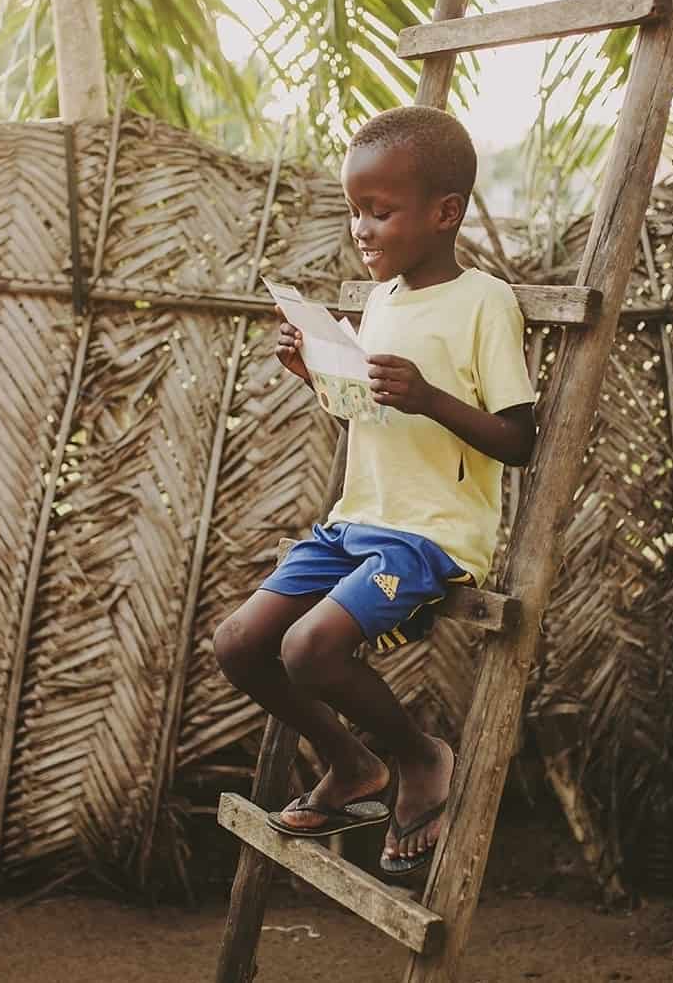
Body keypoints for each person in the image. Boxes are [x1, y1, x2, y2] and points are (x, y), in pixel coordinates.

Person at [211, 106, 537, 878]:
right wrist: (318, 376)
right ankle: (349, 760)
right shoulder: (382, 298)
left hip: (429, 535)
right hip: (357, 520)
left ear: (444, 213)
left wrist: (430, 397)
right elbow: (369, 413)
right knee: (239, 644)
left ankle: (419, 754)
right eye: (354, 209)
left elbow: (519, 440)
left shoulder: (484, 301)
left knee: (309, 648)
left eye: (379, 211)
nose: (361, 227)